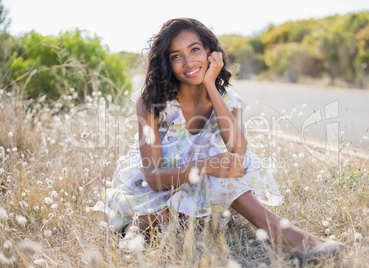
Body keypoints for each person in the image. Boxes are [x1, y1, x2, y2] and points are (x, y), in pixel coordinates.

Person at [94, 18, 344, 260]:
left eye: (195, 50)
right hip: (158, 188)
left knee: (223, 171)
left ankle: (147, 223)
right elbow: (153, 178)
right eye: (176, 56)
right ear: (167, 63)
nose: (189, 61)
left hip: (207, 183)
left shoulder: (227, 98)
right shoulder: (152, 102)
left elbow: (238, 149)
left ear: (211, 53)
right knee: (212, 172)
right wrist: (207, 166)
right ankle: (287, 237)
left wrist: (211, 86)